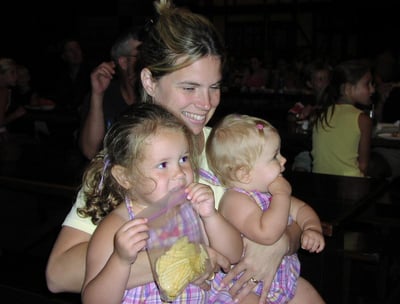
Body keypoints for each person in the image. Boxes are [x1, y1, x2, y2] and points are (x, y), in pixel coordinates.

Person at [46, 1, 302, 303]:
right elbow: (58, 274)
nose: (206, 103)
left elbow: (293, 212)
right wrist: (186, 257)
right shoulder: (127, 160)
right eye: (190, 88)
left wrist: (281, 243)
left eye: (214, 87)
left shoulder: (227, 145)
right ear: (149, 81)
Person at [80, 103, 242, 303]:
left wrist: (211, 216)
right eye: (163, 165)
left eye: (184, 159)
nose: (180, 173)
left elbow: (233, 254)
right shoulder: (117, 228)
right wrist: (120, 261)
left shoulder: (191, 208)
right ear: (125, 177)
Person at [206, 113, 325, 303]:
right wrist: (282, 196)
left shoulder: (269, 193)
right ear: (244, 173)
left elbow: (302, 209)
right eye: (274, 157)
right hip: (246, 288)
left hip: (286, 280)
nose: (283, 159)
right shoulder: (235, 201)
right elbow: (267, 234)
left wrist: (312, 228)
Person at [79, 26, 143, 160]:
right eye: (141, 56)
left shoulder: (156, 93)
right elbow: (91, 151)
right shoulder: (106, 94)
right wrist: (97, 95)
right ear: (124, 62)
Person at [311, 59, 375, 177]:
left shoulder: (322, 114)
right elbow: (363, 166)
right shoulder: (363, 120)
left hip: (319, 182)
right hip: (351, 184)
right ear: (348, 88)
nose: (372, 89)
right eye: (367, 84)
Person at [288, 60, 332, 172]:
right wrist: (300, 115)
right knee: (300, 167)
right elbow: (291, 116)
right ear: (310, 84)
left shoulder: (333, 102)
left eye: (326, 79)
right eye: (319, 79)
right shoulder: (306, 101)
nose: (324, 82)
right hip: (307, 149)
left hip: (328, 150)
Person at [0, 57, 27, 143]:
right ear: (1, 74)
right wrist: (16, 114)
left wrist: (3, 131)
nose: (16, 76)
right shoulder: (3, 91)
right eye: (12, 73)